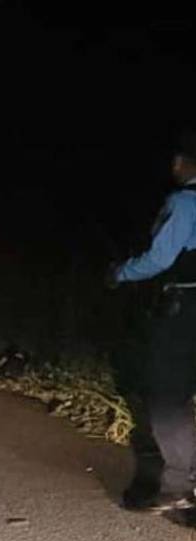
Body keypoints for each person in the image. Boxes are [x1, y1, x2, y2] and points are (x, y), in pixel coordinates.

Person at [109, 132, 196, 513]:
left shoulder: (184, 202)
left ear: (182, 162)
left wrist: (121, 273)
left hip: (183, 308)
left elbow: (160, 258)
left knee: (166, 397)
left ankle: (178, 485)